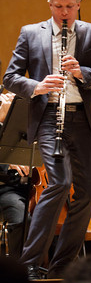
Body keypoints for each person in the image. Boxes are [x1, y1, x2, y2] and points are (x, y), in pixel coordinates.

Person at [3, 0, 91, 279]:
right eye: (58, 6)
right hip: (49, 116)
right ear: (49, 4)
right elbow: (10, 77)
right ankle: (28, 264)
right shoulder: (30, 33)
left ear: (79, 3)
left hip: (81, 118)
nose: (64, 13)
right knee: (60, 183)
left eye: (69, 6)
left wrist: (82, 72)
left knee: (88, 194)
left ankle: (62, 265)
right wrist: (37, 86)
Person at [0, 92, 30, 259]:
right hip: (5, 189)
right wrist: (1, 120)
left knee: (54, 212)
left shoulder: (24, 108)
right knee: (21, 215)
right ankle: (19, 269)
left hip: (32, 185)